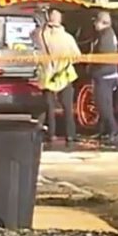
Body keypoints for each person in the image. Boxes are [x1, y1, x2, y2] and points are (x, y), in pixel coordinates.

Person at [38, 8, 81, 146]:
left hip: (47, 76)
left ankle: (50, 134)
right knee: (67, 107)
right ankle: (70, 135)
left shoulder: (40, 35)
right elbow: (77, 56)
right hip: (64, 75)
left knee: (49, 108)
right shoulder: (67, 38)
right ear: (60, 20)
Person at [90, 11, 118, 145]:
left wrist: (92, 65)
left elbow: (102, 54)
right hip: (106, 74)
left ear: (101, 22)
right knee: (102, 104)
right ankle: (103, 131)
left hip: (104, 74)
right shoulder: (106, 34)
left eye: (96, 21)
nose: (94, 24)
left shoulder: (106, 35)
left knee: (104, 105)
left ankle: (114, 130)